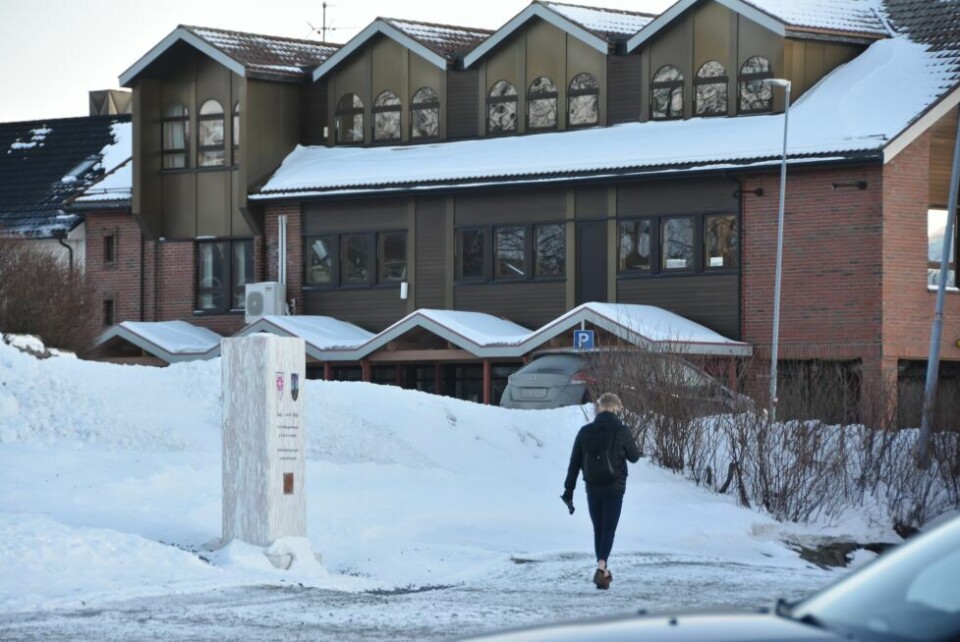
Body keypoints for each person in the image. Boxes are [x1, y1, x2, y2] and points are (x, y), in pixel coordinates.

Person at [561, 392, 641, 590]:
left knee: (599, 529)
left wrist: (569, 490)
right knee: (609, 529)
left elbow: (574, 463)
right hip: (615, 488)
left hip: (593, 487)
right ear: (615, 409)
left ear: (599, 408)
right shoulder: (621, 430)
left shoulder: (585, 432)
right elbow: (634, 457)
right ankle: (601, 566)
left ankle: (603, 572)